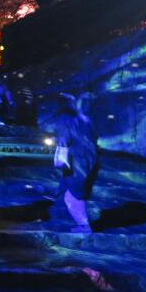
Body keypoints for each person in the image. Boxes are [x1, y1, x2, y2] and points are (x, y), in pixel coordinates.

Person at [53, 94, 100, 233]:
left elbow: (64, 139)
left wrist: (59, 150)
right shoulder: (85, 119)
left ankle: (84, 226)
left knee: (72, 195)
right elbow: (95, 137)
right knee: (76, 190)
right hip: (90, 160)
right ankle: (83, 225)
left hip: (75, 160)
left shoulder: (64, 118)